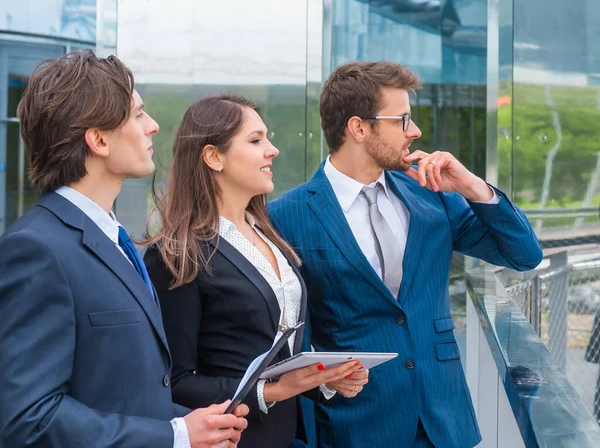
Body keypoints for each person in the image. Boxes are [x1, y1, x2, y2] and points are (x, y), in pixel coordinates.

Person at [268, 61, 544, 448]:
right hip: (357, 425)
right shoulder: (286, 215)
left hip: (444, 420)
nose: (415, 132)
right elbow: (290, 335)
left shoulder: (431, 195)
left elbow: (524, 255)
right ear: (359, 128)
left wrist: (472, 186)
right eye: (402, 120)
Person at [0, 50, 248, 448]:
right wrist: (174, 436)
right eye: (137, 114)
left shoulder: (116, 240)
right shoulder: (35, 250)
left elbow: (119, 390)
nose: (152, 126)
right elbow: (30, 418)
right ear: (98, 140)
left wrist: (193, 423)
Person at [143, 95, 368, 448]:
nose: (273, 150)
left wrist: (324, 378)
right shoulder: (177, 253)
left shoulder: (270, 235)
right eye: (256, 140)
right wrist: (274, 390)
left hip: (287, 437)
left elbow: (280, 353)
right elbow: (175, 381)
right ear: (213, 156)